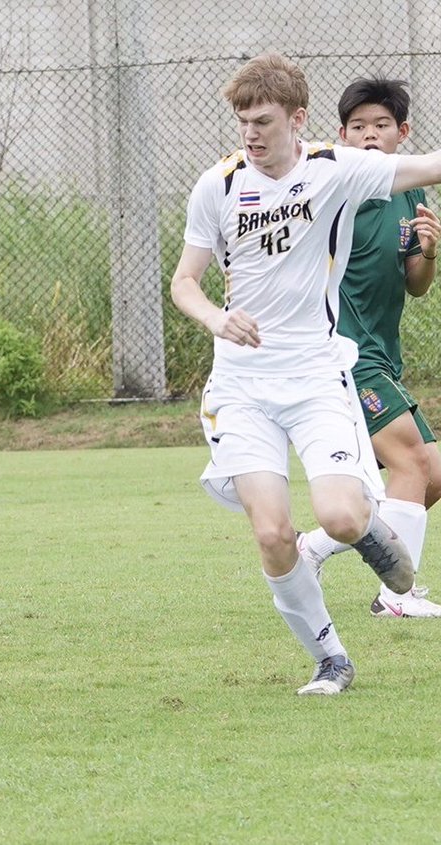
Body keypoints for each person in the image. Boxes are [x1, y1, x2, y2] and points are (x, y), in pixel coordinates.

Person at [170, 53, 441, 696]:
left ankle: (366, 528)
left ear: (298, 119)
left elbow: (429, 166)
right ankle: (331, 659)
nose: (251, 136)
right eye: (242, 123)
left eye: (263, 122)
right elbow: (185, 282)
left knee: (343, 519)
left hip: (318, 376)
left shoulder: (337, 170)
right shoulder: (220, 185)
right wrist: (216, 318)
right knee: (271, 533)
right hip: (241, 385)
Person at [296, 77, 441, 618]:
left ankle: (314, 546)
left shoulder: (408, 190)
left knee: (433, 474)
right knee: (409, 462)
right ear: (340, 135)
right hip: (343, 352)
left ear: (403, 133)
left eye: (382, 125)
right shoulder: (336, 185)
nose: (370, 135)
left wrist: (428, 251)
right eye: (358, 127)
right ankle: (395, 598)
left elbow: (415, 283)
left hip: (383, 354)